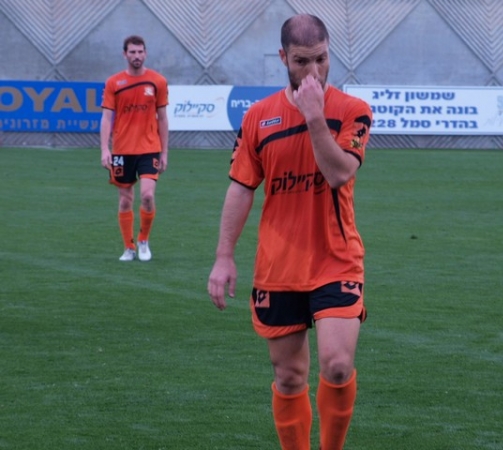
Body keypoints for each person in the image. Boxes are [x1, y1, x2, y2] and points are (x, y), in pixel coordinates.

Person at [207, 14, 372, 450]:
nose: (314, 71)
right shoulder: (258, 117)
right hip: (278, 266)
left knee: (337, 365)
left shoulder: (352, 111)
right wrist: (224, 256)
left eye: (321, 59)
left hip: (336, 259)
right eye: (302, 61)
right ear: (283, 58)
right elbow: (241, 188)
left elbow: (339, 173)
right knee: (290, 376)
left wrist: (315, 117)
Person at [100, 35, 169, 262]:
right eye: (132, 52)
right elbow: (106, 118)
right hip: (122, 150)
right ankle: (128, 247)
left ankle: (143, 241)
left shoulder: (158, 81)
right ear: (125, 54)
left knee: (147, 196)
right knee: (125, 200)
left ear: (145, 53)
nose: (137, 56)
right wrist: (105, 149)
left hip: (149, 148)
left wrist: (164, 152)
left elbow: (162, 118)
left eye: (140, 52)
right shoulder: (114, 83)